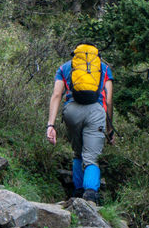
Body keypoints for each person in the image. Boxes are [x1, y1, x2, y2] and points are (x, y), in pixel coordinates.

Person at [46, 43, 114, 204]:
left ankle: (77, 192)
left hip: (71, 112)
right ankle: (90, 195)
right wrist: (110, 130)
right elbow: (109, 101)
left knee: (78, 153)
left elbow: (56, 95)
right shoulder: (104, 69)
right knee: (91, 157)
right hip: (95, 112)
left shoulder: (64, 68)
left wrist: (51, 125)